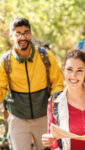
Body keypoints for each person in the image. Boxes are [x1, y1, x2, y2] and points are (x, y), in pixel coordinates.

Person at [0, 17, 64, 150]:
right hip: (18, 117)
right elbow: (1, 88)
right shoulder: (5, 61)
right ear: (12, 36)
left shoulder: (45, 56)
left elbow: (57, 83)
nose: (23, 37)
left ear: (31, 34)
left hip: (44, 117)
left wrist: (54, 105)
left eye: (26, 33)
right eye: (18, 33)